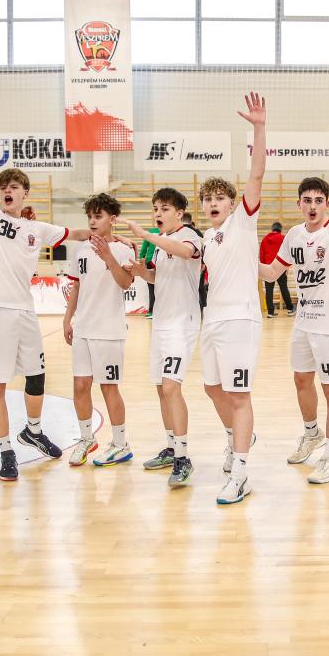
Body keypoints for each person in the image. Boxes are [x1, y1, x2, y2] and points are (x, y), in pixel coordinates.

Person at [0, 105, 91, 482]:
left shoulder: (38, 228)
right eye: (3, 188)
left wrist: (111, 235)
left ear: (25, 194)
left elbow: (76, 233)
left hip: (24, 313)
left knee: (36, 377)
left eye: (14, 187)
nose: (7, 191)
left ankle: (32, 430)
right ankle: (6, 451)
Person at [260, 178, 329, 485]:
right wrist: (243, 261)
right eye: (307, 200)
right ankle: (312, 434)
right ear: (299, 204)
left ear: (327, 204)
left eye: (318, 200)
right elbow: (272, 272)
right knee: (301, 380)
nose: (312, 206)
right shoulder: (293, 235)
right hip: (303, 324)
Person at [198, 92, 271, 505]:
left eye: (219, 198)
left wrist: (259, 128)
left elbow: (256, 174)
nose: (212, 203)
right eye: (207, 199)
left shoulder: (243, 222)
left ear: (232, 203)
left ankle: (241, 472)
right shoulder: (207, 238)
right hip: (212, 321)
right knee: (213, 389)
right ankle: (238, 436)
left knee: (239, 396)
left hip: (241, 321)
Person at [123, 189, 203, 488]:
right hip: (161, 323)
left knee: (171, 387)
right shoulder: (160, 244)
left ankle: (183, 457)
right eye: (155, 208)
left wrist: (145, 234)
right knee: (161, 389)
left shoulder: (190, 236)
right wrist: (142, 272)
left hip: (182, 324)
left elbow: (185, 253)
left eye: (165, 208)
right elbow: (159, 278)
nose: (158, 213)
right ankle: (171, 448)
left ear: (179, 213)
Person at [63, 193, 136, 468]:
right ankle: (86, 439)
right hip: (83, 328)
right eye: (90, 217)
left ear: (112, 219)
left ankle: (120, 443)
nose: (93, 221)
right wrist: (67, 319)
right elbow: (77, 286)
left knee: (108, 387)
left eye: (98, 216)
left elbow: (125, 283)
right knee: (80, 386)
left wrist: (108, 256)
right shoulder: (81, 250)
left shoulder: (123, 250)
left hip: (109, 331)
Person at [260, 221, 295, 317]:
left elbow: (262, 254)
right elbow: (287, 254)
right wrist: (287, 267)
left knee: (269, 290)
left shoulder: (265, 239)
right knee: (284, 288)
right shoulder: (282, 238)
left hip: (267, 267)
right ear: (280, 229)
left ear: (272, 229)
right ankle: (290, 309)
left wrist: (263, 268)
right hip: (280, 267)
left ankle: (270, 312)